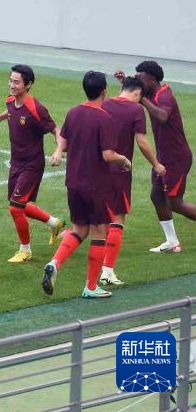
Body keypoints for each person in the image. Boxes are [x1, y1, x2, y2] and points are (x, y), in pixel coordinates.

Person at [44, 71, 131, 299]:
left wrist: (57, 151)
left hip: (73, 183)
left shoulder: (73, 112)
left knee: (79, 229)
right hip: (96, 185)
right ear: (104, 91)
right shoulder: (104, 118)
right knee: (99, 232)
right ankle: (91, 287)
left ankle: (55, 262)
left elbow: (63, 140)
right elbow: (108, 154)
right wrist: (124, 159)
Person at [0, 65, 65, 263]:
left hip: (32, 164)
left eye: (16, 82)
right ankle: (54, 223)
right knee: (19, 205)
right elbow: (9, 110)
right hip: (16, 163)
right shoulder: (10, 101)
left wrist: (58, 151)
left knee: (15, 208)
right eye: (10, 81)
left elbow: (56, 130)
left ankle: (25, 250)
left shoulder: (36, 108)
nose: (12, 85)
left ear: (28, 84)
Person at [99, 76, 163, 285]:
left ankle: (95, 265)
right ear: (137, 93)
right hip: (120, 171)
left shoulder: (105, 103)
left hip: (98, 170)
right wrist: (156, 164)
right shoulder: (136, 110)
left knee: (101, 218)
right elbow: (142, 142)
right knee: (117, 219)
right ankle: (107, 272)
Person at [126, 61, 196, 252]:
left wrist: (141, 99)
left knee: (175, 203)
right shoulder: (150, 92)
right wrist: (126, 83)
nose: (137, 79)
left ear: (151, 78)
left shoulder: (165, 95)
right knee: (157, 196)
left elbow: (162, 116)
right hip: (163, 158)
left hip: (177, 158)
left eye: (140, 76)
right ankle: (172, 242)